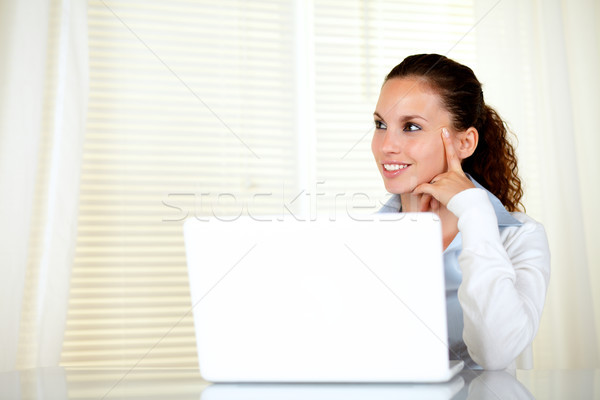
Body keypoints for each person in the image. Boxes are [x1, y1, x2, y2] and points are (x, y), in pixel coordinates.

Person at [373, 54, 550, 370]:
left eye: (411, 126)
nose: (386, 145)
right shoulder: (363, 239)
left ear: (465, 143)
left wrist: (475, 214)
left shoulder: (519, 237)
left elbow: (495, 355)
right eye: (380, 125)